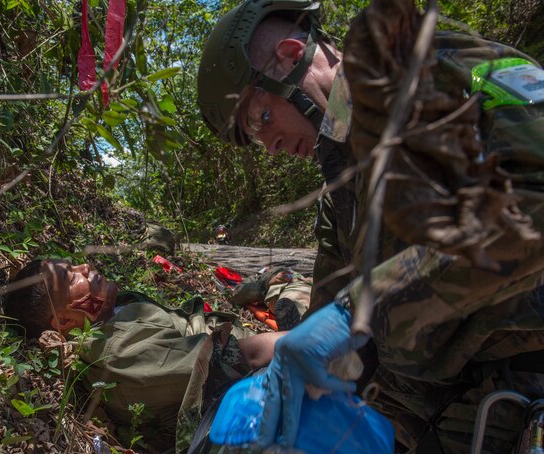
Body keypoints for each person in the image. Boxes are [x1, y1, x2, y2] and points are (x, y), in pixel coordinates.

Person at [197, 0, 544, 452]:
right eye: (259, 140)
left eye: (262, 118)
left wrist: (356, 309)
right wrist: (282, 351)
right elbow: (330, 329)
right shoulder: (341, 197)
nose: (274, 146)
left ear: (288, 55)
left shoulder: (431, 65)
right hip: (443, 416)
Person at [3, 259, 310, 453]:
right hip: (248, 385)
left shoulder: (109, 309)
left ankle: (268, 285)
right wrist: (315, 339)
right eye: (72, 278)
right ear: (65, 322)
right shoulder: (117, 354)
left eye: (73, 266)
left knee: (291, 285)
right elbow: (231, 357)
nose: (84, 267)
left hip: (244, 338)